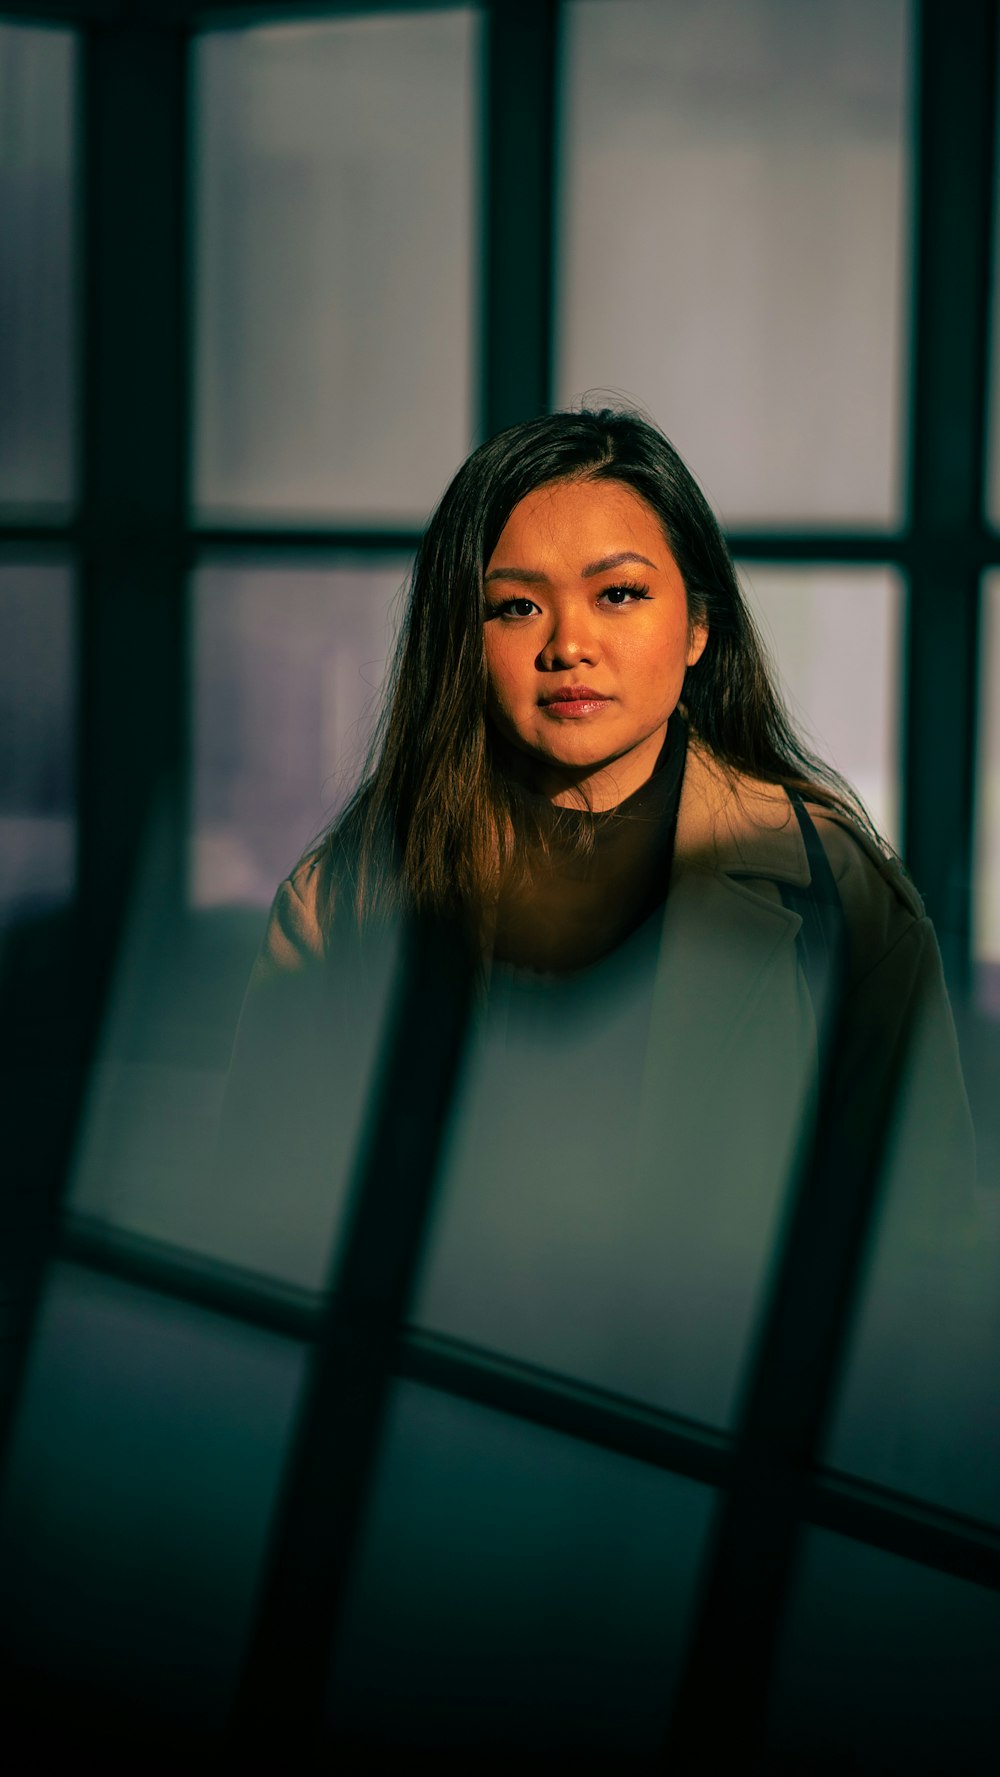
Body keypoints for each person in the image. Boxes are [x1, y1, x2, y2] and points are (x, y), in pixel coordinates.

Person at [214, 407, 980, 1761]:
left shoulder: (836, 894)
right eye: (518, 606)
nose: (570, 643)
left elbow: (927, 1278)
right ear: (470, 637)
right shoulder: (347, 901)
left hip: (744, 1555)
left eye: (620, 594)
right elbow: (260, 1280)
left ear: (696, 626)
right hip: (424, 1560)